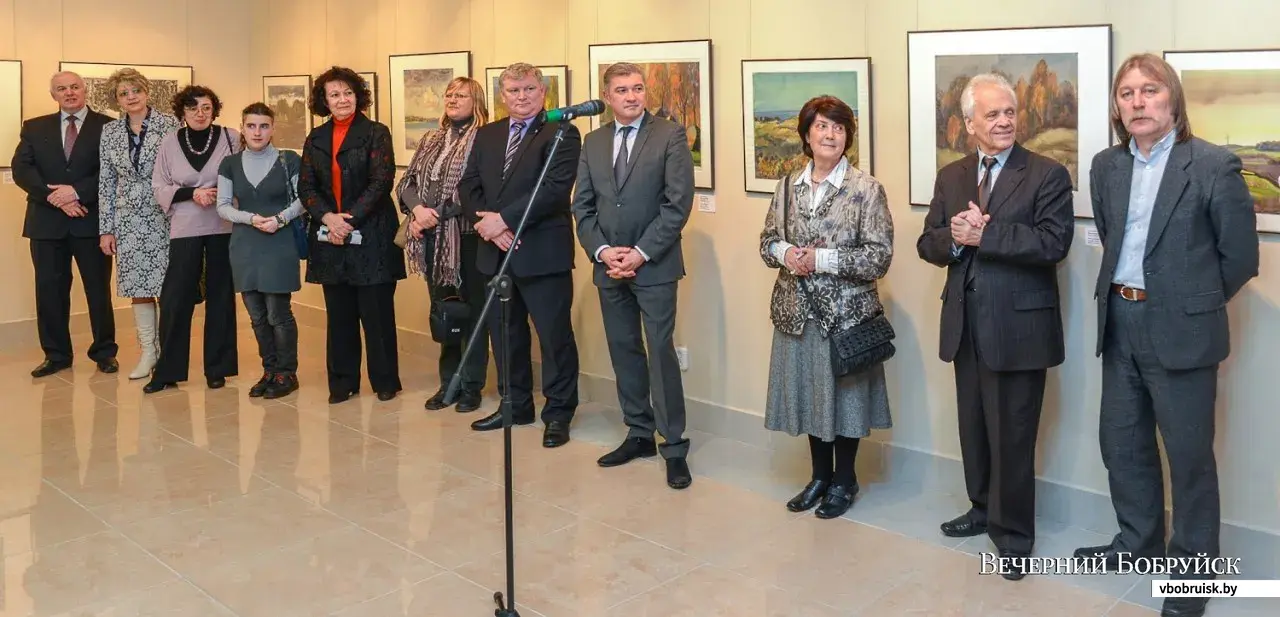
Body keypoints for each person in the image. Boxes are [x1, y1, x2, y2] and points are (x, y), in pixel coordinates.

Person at [1072, 53, 1258, 617]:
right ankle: (1138, 543)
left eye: (1148, 91)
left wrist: (1189, 304)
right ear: (1116, 106)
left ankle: (1193, 578)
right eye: (1126, 93)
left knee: (1189, 457)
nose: (1137, 102)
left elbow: (1240, 259)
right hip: (1121, 321)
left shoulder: (1211, 166)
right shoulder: (1106, 166)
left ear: (1172, 99)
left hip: (1183, 331)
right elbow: (1112, 237)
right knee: (1122, 445)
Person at [915, 72, 1074, 579]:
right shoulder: (953, 175)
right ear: (968, 124)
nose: (1005, 120)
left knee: (1013, 435)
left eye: (1010, 112)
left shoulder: (1047, 174)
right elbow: (928, 242)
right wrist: (956, 241)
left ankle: (1013, 536)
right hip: (965, 326)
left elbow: (1053, 243)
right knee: (975, 429)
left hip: (1019, 329)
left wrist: (985, 234)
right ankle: (982, 508)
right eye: (993, 114)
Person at [759, 95, 894, 519]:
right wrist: (786, 254)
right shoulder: (785, 187)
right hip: (796, 313)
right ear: (806, 134)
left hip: (846, 317)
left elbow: (879, 257)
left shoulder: (866, 190)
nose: (829, 134)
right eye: (821, 126)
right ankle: (819, 476)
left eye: (838, 127)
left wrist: (821, 259)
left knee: (846, 402)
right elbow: (765, 243)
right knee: (810, 397)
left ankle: (845, 480)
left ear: (847, 136)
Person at [571, 62, 695, 488]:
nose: (631, 96)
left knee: (660, 353)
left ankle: (674, 446)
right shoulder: (593, 141)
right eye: (622, 89)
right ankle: (639, 432)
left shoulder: (669, 135)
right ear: (607, 96)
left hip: (655, 265)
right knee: (623, 349)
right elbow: (582, 206)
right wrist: (604, 251)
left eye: (638, 88)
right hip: (609, 266)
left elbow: (677, 205)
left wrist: (639, 254)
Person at [458, 62, 582, 447]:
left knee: (553, 337)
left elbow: (555, 190)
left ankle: (558, 414)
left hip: (542, 251)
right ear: (502, 95)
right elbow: (468, 185)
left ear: (543, 92)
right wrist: (488, 225)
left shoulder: (562, 132)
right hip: (495, 252)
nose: (522, 97)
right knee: (505, 334)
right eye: (513, 91)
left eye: (529, 89)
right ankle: (515, 404)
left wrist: (505, 221)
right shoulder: (488, 134)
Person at [298, 66, 404, 404]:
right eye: (334, 94)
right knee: (339, 314)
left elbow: (382, 180)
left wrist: (350, 219)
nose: (342, 99)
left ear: (358, 95)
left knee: (377, 314)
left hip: (371, 234)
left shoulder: (376, 132)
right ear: (324, 101)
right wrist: (328, 218)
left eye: (347, 93)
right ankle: (342, 383)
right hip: (330, 236)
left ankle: (385, 381)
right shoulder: (315, 138)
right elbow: (306, 187)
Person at [11, 71, 118, 378]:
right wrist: (53, 197)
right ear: (53, 95)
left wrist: (77, 192)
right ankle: (56, 355)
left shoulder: (108, 126)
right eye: (61, 89)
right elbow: (21, 169)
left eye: (74, 87)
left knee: (97, 290)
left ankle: (104, 352)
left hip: (91, 221)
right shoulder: (35, 127)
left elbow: (112, 171)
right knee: (49, 291)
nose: (69, 93)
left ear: (85, 91)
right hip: (46, 224)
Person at [396, 76, 490, 413]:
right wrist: (419, 211)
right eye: (449, 94)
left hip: (468, 239)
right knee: (445, 312)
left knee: (473, 313)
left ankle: (471, 387)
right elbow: (407, 182)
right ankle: (447, 383)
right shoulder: (431, 138)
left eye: (461, 94)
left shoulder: (484, 140)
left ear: (476, 101)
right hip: (433, 240)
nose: (452, 99)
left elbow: (477, 190)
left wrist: (437, 212)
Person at [145, 85, 241, 393]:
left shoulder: (231, 137)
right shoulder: (169, 143)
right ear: (181, 112)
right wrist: (192, 193)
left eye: (206, 108)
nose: (200, 113)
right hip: (185, 226)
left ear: (214, 110)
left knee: (221, 296)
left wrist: (220, 194)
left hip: (223, 224)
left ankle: (218, 368)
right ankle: (167, 371)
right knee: (175, 298)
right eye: (192, 108)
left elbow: (244, 177)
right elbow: (159, 185)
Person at [97, 67, 182, 380]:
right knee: (139, 287)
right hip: (128, 219)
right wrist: (106, 228)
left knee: (169, 285)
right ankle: (149, 351)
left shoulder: (170, 125)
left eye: (136, 91)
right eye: (124, 93)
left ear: (147, 92)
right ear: (117, 100)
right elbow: (106, 182)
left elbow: (181, 170)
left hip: (166, 214)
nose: (131, 97)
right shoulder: (110, 132)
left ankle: (170, 353)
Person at [216, 103, 304, 399]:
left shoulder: (288, 159)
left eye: (264, 126)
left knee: (278, 312)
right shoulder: (229, 163)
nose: (257, 132)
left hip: (279, 242)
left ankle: (286, 372)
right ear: (242, 127)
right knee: (256, 315)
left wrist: (279, 220)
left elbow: (304, 200)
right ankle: (269, 370)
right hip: (245, 244)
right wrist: (251, 219)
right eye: (251, 126)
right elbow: (223, 206)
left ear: (273, 129)